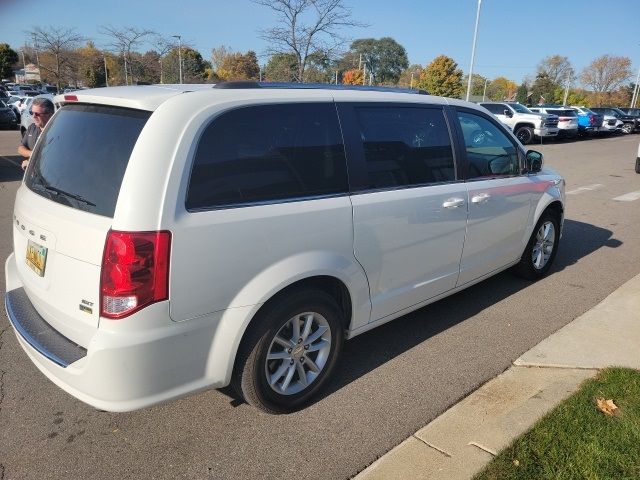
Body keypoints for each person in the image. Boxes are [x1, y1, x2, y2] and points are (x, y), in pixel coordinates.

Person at [18, 97, 55, 171]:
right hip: (33, 177)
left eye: (37, 114)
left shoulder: (57, 131)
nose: (33, 116)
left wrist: (31, 162)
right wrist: (31, 154)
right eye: (32, 112)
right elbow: (21, 148)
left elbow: (55, 157)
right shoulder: (32, 128)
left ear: (50, 114)